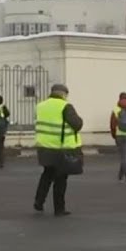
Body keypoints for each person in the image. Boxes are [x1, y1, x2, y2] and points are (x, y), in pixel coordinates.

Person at [33, 83, 84, 216]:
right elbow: (77, 124)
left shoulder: (40, 106)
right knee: (61, 179)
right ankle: (59, 208)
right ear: (63, 94)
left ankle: (39, 202)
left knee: (46, 175)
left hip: (44, 147)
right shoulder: (65, 106)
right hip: (61, 148)